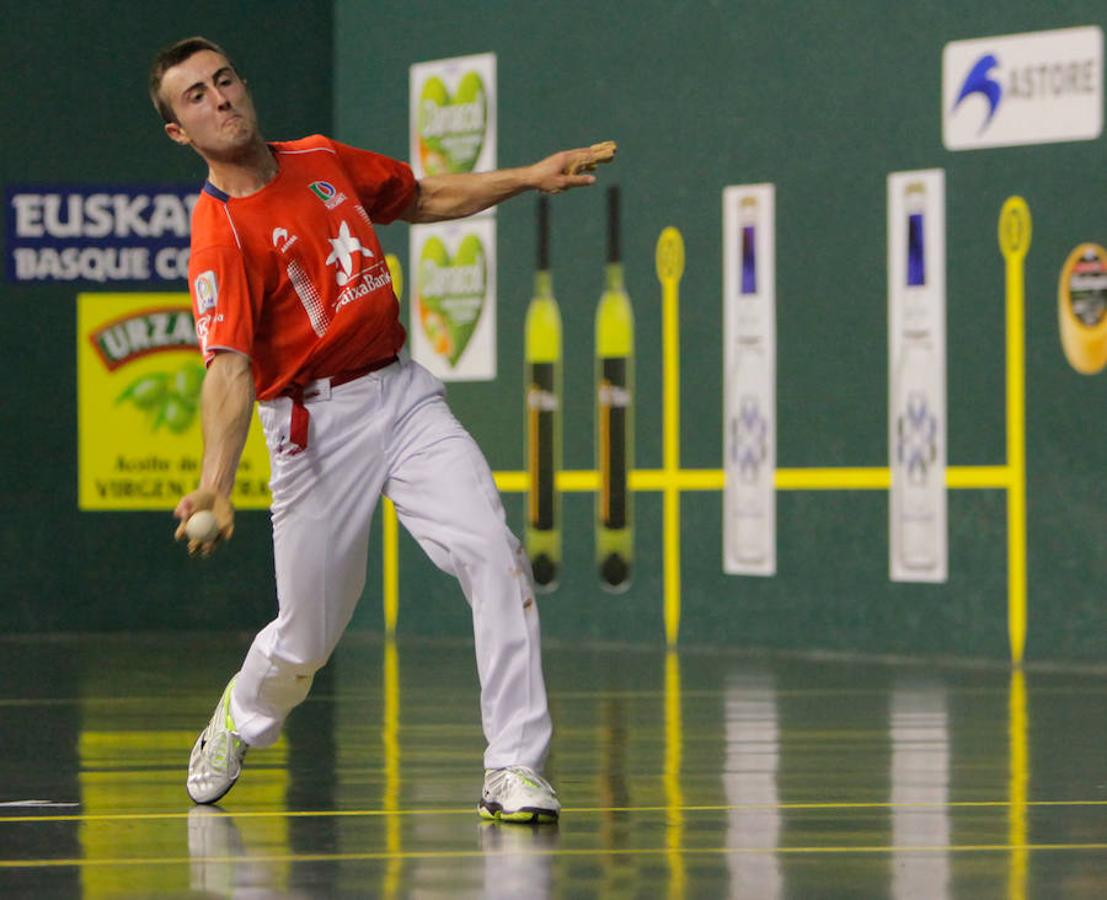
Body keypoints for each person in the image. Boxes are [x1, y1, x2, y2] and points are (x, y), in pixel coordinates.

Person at [149, 36, 615, 824]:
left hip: (401, 397)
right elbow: (228, 367)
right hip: (311, 432)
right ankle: (240, 716)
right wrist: (216, 486)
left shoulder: (320, 158)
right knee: (306, 640)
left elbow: (422, 197)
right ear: (178, 132)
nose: (219, 99)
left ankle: (514, 767)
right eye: (195, 96)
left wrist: (527, 178)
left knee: (493, 556)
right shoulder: (220, 233)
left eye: (225, 79)